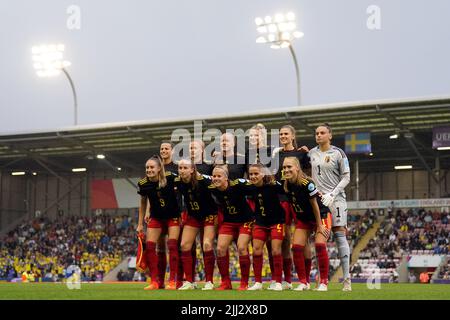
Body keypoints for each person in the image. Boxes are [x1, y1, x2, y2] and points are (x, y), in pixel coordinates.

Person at [309, 123, 352, 291]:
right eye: (316, 133)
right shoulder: (311, 153)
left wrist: (332, 194)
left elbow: (347, 177)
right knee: (320, 240)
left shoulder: (338, 153)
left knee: (340, 235)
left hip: (337, 199)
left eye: (322, 132)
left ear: (330, 135)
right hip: (319, 202)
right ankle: (322, 280)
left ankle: (347, 279)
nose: (319, 135)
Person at [270, 125, 311, 290]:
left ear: (293, 136)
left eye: (286, 133)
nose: (283, 136)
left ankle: (305, 280)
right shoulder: (277, 154)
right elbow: (273, 176)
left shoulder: (302, 153)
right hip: (282, 199)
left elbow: (309, 174)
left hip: (300, 200)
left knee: (304, 240)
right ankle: (287, 280)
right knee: (285, 239)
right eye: (281, 134)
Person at [282, 157, 331, 291]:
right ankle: (304, 282)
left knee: (320, 245)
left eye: (289, 167)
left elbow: (315, 205)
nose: (286, 170)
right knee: (296, 247)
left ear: (297, 168)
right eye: (284, 167)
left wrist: (320, 225)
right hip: (304, 219)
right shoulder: (286, 184)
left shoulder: (306, 183)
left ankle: (324, 283)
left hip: (321, 216)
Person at [136, 155, 181, 290]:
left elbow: (182, 191)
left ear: (159, 168)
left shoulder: (171, 178)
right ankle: (155, 281)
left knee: (172, 245)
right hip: (156, 217)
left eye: (151, 167)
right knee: (150, 246)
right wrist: (139, 224)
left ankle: (172, 281)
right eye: (147, 167)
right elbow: (143, 204)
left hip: (172, 216)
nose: (149, 170)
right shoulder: (143, 184)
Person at [209, 165, 254, 290]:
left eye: (219, 176)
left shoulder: (238, 185)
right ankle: (226, 282)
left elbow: (255, 188)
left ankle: (244, 283)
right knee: (220, 248)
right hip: (229, 222)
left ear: (226, 178)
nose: (216, 178)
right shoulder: (212, 189)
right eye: (214, 176)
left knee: (241, 247)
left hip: (245, 220)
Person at [175, 159, 217, 290]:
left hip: (209, 215)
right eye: (180, 168)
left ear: (192, 169)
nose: (182, 171)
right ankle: (189, 281)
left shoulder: (204, 181)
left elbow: (219, 189)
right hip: (193, 216)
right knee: (184, 245)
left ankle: (209, 281)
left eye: (185, 168)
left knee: (206, 244)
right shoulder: (178, 182)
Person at [245, 163, 285, 291]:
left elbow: (288, 191)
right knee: (256, 250)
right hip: (260, 222)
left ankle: (278, 282)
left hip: (276, 221)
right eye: (251, 174)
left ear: (263, 174)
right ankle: (258, 282)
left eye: (256, 173)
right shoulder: (250, 188)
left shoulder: (273, 186)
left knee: (275, 251)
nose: (253, 176)